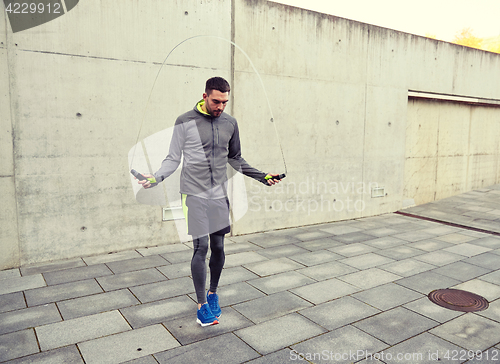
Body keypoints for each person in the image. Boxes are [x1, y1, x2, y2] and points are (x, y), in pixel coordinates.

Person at [137, 77, 281, 326]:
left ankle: (213, 293)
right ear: (204, 96)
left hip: (218, 194)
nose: (221, 106)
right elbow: (172, 158)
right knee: (200, 247)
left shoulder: (230, 123)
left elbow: (235, 158)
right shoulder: (185, 121)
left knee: (219, 247)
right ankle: (202, 304)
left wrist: (262, 176)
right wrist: (156, 177)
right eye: (216, 101)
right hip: (193, 193)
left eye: (225, 102)